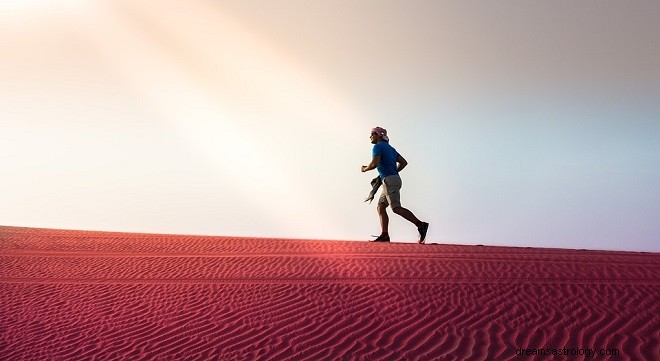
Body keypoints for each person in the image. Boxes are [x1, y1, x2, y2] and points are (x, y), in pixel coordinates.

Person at [361, 126, 429, 243]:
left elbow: (374, 164)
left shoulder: (377, 147)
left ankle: (421, 225)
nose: (370, 137)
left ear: (378, 135)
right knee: (381, 207)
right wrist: (393, 172)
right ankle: (384, 235)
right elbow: (404, 162)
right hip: (391, 180)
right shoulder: (391, 149)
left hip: (389, 181)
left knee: (396, 208)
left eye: (372, 134)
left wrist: (364, 169)